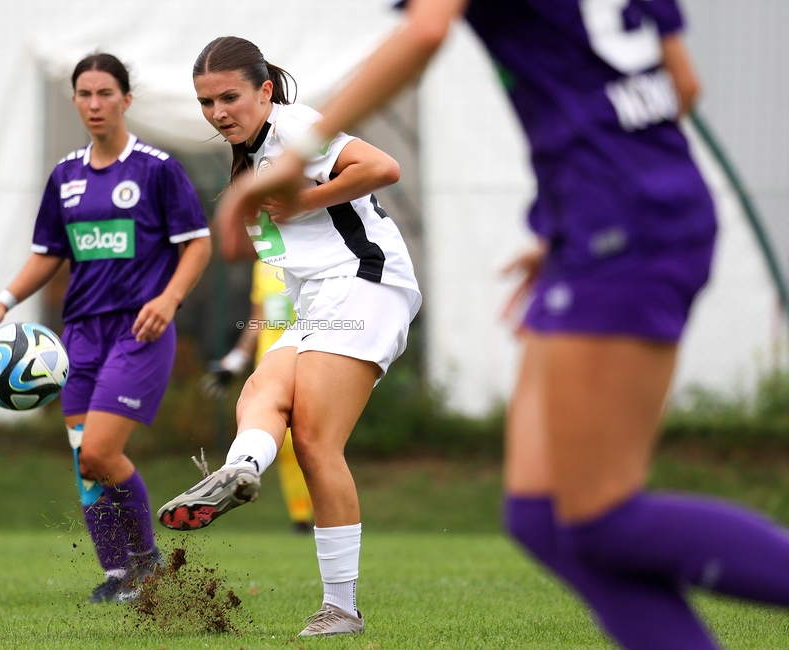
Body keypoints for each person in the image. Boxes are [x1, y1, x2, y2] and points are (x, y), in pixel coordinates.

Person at [213, 1, 789, 648]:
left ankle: (335, 601)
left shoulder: (288, 135)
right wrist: (589, 201)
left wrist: (295, 166)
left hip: (622, 228)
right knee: (538, 518)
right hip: (604, 221)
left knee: (600, 516)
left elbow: (426, 31)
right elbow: (680, 86)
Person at [156, 36, 421, 637]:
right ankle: (242, 470)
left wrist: (298, 200)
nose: (218, 112)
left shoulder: (294, 128)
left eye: (230, 97)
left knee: (318, 442)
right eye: (206, 102)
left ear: (265, 92)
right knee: (261, 393)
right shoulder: (250, 156)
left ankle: (342, 609)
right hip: (321, 299)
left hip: (365, 283)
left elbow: (383, 167)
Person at [0, 53, 211, 604]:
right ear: (76, 100)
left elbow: (197, 243)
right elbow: (47, 254)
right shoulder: (66, 177)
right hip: (79, 336)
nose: (95, 104)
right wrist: (1, 303)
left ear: (126, 99)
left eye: (106, 93)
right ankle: (116, 575)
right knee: (86, 462)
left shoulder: (156, 168)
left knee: (101, 451)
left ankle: (147, 562)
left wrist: (169, 299)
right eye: (85, 94)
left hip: (140, 331)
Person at [199, 259, 316, 535]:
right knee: (284, 444)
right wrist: (236, 361)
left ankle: (319, 516)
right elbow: (260, 319)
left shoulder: (310, 256)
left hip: (306, 361)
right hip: (269, 367)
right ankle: (300, 517)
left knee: (305, 442)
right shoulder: (261, 266)